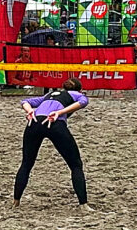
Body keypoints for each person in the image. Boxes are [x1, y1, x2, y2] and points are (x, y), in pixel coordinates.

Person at [14, 76, 89, 208]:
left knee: (26, 163)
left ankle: (16, 201)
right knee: (75, 165)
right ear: (80, 90)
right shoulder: (77, 95)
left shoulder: (49, 95)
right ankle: (83, 204)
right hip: (54, 123)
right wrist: (59, 112)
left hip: (34, 122)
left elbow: (25, 101)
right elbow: (83, 102)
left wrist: (30, 110)